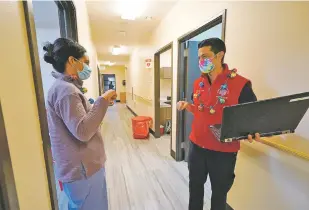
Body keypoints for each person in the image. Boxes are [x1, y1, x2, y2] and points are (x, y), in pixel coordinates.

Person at [177, 38, 260, 210]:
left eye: (205, 56)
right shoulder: (198, 83)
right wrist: (189, 106)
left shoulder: (240, 84)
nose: (201, 61)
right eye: (199, 57)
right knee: (195, 189)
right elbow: (203, 109)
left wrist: (253, 129)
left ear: (220, 55)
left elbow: (252, 114)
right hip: (197, 146)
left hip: (223, 152)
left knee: (219, 195)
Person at [44, 38, 116, 210]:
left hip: (78, 168)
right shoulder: (67, 91)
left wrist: (91, 105)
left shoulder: (64, 87)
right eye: (85, 63)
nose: (88, 68)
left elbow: (77, 120)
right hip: (83, 170)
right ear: (71, 60)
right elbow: (83, 131)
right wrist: (103, 100)